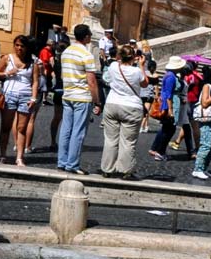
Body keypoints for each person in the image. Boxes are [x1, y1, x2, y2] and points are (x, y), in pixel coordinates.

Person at [53, 24, 100, 174]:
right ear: (86, 36)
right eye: (90, 35)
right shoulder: (86, 54)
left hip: (68, 94)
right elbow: (91, 81)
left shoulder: (66, 52)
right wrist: (97, 101)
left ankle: (62, 161)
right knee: (78, 132)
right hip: (82, 96)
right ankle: (72, 164)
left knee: (66, 129)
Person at [99, 43, 146, 179]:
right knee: (128, 141)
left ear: (120, 56)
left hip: (112, 103)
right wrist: (141, 65)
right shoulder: (137, 71)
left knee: (110, 139)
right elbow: (145, 83)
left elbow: (116, 62)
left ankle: (107, 169)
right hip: (132, 106)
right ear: (134, 57)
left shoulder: (114, 66)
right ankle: (125, 171)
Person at [0, 35, 39, 165]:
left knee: (22, 128)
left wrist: (33, 98)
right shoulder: (7, 58)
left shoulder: (33, 64)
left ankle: (19, 157)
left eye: (22, 46)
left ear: (27, 48)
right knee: (6, 126)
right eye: (17, 45)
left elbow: (35, 82)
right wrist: (8, 73)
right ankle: (3, 155)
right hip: (9, 95)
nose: (19, 48)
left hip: (25, 96)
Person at [191, 66, 211, 180]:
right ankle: (197, 169)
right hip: (206, 120)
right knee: (205, 145)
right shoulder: (207, 87)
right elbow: (204, 103)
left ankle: (204, 168)